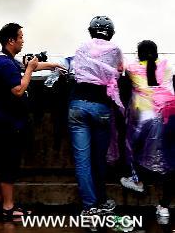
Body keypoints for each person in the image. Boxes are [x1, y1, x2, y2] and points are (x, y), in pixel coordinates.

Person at [0, 23, 57, 221]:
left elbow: (26, 68)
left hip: (1, 122)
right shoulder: (5, 64)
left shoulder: (3, 58)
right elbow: (18, 90)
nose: (23, 41)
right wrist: (29, 70)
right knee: (8, 165)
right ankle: (8, 208)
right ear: (11, 40)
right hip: (7, 123)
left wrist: (52, 66)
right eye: (20, 37)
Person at [68, 16, 123, 215]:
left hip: (77, 106)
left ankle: (89, 206)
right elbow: (118, 72)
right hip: (101, 108)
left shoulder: (82, 48)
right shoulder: (115, 50)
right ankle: (102, 200)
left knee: (82, 160)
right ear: (111, 33)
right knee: (99, 158)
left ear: (90, 31)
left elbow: (74, 70)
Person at [120, 40, 175, 221]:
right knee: (170, 161)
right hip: (169, 114)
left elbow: (119, 68)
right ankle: (165, 207)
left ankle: (137, 180)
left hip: (144, 116)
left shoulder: (132, 68)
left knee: (133, 146)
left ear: (139, 54)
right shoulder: (167, 65)